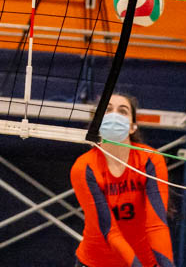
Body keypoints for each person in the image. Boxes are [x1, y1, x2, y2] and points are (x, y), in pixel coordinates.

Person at [70, 92, 175, 267]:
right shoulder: (84, 167)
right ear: (97, 122)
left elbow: (157, 225)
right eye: (108, 110)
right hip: (96, 262)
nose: (114, 115)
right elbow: (109, 230)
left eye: (123, 111)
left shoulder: (150, 159)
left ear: (133, 126)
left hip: (145, 260)